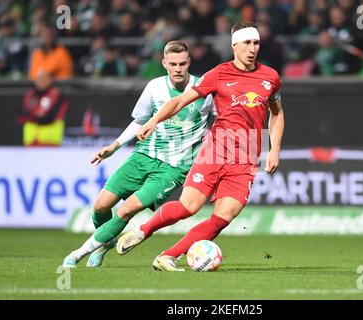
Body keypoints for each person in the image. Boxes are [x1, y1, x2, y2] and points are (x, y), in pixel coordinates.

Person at [117, 21, 284, 271]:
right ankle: (144, 230)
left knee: (223, 217)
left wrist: (275, 149)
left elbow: (278, 114)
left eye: (256, 42)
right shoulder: (218, 74)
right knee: (188, 207)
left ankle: (167, 256)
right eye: (247, 42)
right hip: (217, 149)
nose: (252, 48)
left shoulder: (270, 77)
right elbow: (182, 100)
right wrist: (153, 120)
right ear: (234, 45)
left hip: (248, 155)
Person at [62, 40, 214, 268]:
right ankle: (104, 243)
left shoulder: (203, 89)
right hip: (143, 156)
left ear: (189, 62)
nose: (178, 69)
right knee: (101, 206)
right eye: (173, 64)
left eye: (182, 63)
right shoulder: (155, 87)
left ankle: (78, 253)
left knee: (127, 209)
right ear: (164, 63)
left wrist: (212, 134)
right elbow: (140, 121)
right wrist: (114, 146)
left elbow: (222, 117)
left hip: (173, 168)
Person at [18, 70, 68, 146]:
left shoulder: (57, 95)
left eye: (44, 79)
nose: (41, 81)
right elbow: (24, 115)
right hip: (31, 141)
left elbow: (50, 116)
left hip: (50, 141)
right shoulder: (30, 95)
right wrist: (37, 114)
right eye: (39, 79)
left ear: (50, 80)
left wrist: (35, 115)